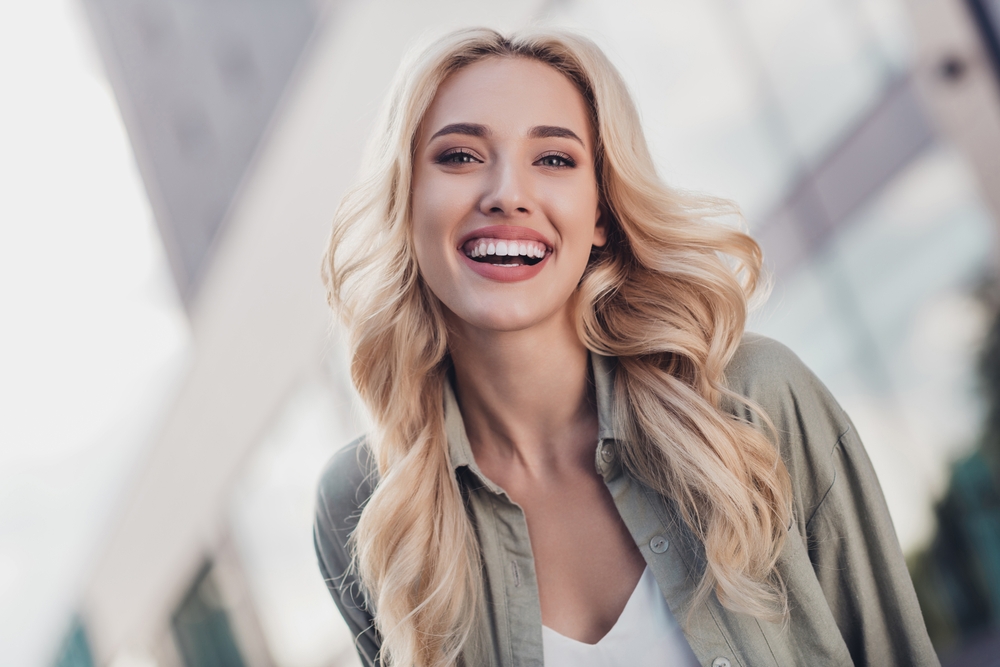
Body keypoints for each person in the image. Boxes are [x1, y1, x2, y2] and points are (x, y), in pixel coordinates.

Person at [314, 28, 938, 667]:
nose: (506, 193)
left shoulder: (753, 404)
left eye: (554, 159)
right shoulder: (365, 506)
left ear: (602, 213)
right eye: (460, 156)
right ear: (407, 198)